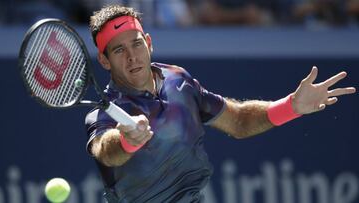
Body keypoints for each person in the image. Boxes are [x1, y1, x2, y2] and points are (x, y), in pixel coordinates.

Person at [85, 5, 356, 203]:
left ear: (149, 43)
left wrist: (291, 106)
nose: (132, 57)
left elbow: (238, 120)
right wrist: (127, 140)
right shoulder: (104, 114)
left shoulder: (179, 81)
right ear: (105, 60)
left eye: (136, 44)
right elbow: (106, 151)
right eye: (119, 50)